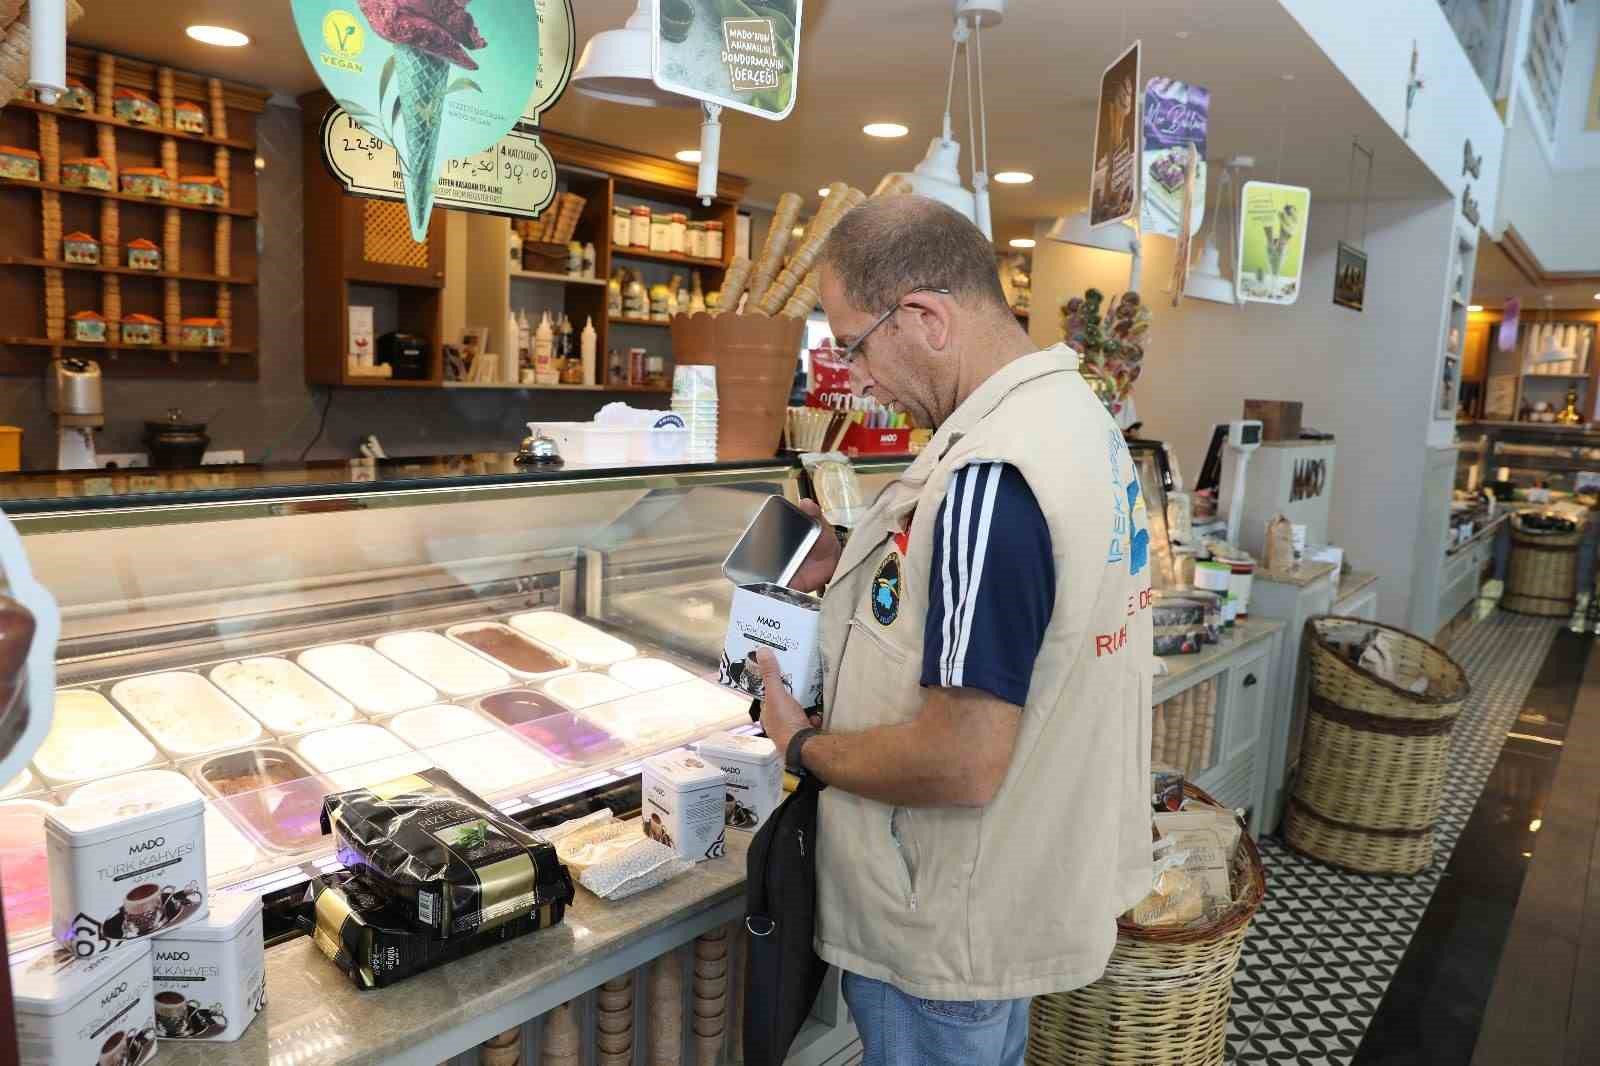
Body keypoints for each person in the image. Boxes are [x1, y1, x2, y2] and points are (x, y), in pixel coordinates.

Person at [754, 195, 1155, 1066]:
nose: (853, 378)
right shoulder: (1077, 417)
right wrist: (852, 568)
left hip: (944, 913)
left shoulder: (990, 475)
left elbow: (961, 759)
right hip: (1018, 880)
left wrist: (801, 746)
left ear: (925, 317)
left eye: (852, 344)